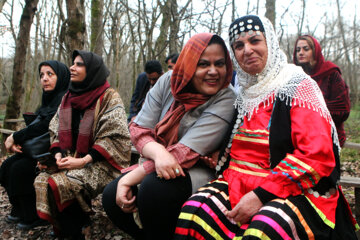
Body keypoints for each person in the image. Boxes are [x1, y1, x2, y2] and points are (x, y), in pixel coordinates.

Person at [174, 15, 358, 239]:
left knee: (265, 228)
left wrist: (261, 195)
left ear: (270, 42)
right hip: (237, 180)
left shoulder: (297, 86)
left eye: (255, 41)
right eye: (239, 45)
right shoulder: (244, 93)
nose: (247, 50)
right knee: (194, 211)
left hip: (294, 187)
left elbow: (316, 155)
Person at [102, 33, 236, 240]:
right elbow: (138, 128)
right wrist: (158, 153)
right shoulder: (168, 81)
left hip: (201, 169)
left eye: (220, 64)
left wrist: (132, 176)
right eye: (203, 64)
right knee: (112, 196)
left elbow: (186, 152)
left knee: (154, 189)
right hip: (158, 161)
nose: (213, 71)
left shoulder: (226, 97)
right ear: (189, 64)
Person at [34, 50, 131, 239]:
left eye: (79, 64)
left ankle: (73, 231)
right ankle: (64, 227)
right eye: (73, 63)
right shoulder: (68, 97)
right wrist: (58, 154)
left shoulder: (109, 97)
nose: (72, 67)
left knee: (64, 182)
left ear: (92, 70)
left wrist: (83, 160)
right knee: (42, 179)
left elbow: (115, 137)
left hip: (102, 163)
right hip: (72, 158)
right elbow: (56, 130)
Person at [0, 60, 70, 230]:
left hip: (59, 150)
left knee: (21, 169)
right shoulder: (48, 99)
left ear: (61, 77)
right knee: (7, 166)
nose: (44, 79)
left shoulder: (65, 99)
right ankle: (20, 209)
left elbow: (46, 124)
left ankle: (36, 215)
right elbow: (35, 125)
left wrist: (15, 136)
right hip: (38, 148)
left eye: (50, 74)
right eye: (41, 75)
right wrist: (20, 142)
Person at [293, 35, 350, 147]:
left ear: (315, 51)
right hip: (300, 137)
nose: (301, 52)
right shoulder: (294, 76)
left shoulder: (331, 73)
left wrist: (311, 115)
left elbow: (343, 109)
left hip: (329, 137)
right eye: (298, 50)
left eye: (306, 49)